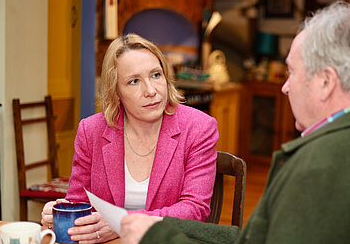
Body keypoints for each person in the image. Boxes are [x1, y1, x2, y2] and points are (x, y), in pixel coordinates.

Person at [119, 1, 350, 244]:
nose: (285, 86)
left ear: (325, 82)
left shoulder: (326, 165)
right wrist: (164, 224)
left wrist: (155, 238)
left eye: (292, 72)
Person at [40, 33, 219, 243]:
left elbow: (194, 210)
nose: (151, 91)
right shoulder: (91, 131)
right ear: (116, 92)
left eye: (156, 75)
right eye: (134, 81)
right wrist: (61, 215)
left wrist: (122, 224)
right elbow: (79, 201)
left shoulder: (199, 128)